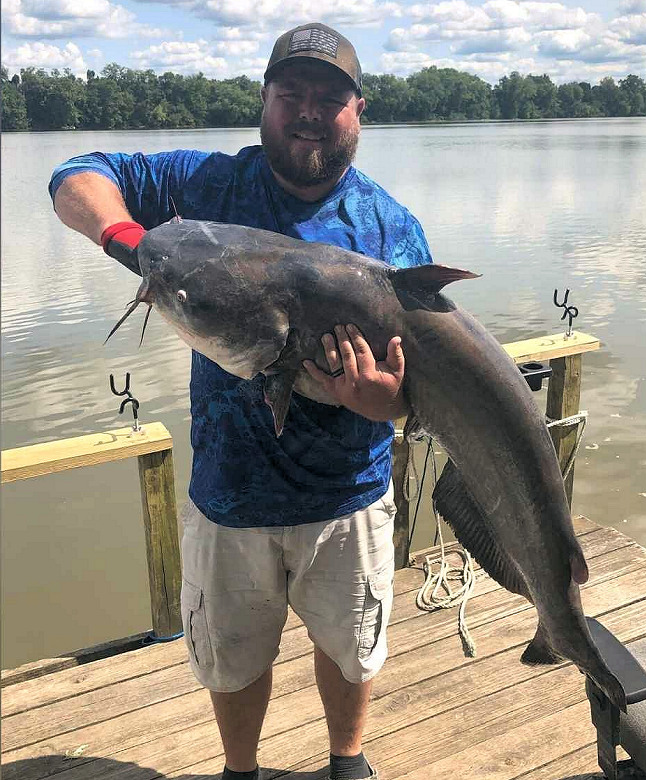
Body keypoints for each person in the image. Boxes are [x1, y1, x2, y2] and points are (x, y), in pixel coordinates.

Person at [49, 22, 433, 780]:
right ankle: (239, 770)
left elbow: (418, 388)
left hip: (348, 495)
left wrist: (385, 402)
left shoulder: (390, 228)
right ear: (264, 101)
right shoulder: (207, 187)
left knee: (351, 649)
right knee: (230, 659)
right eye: (291, 93)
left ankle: (347, 762)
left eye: (330, 97)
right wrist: (128, 238)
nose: (309, 112)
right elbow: (74, 175)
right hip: (229, 493)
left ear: (360, 109)